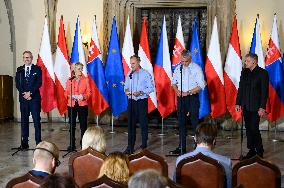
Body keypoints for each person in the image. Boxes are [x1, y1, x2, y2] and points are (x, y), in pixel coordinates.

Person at [170, 50, 205, 155]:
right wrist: (176, 91)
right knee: (181, 123)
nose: (184, 63)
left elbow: (202, 85)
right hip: (181, 99)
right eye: (182, 61)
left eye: (186, 61)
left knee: (195, 123)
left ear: (190, 59)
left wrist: (188, 92)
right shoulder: (178, 68)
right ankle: (181, 147)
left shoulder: (196, 69)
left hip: (192, 98)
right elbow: (173, 83)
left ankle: (197, 147)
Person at [175, 123, 232, 188]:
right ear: (214, 141)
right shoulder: (226, 162)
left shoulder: (180, 160)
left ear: (195, 138)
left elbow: (174, 185)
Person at [236, 53, 269, 159]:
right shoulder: (244, 72)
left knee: (254, 128)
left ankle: (259, 150)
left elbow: (264, 92)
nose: (245, 62)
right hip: (246, 105)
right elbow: (241, 89)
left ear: (254, 62)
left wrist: (262, 107)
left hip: (256, 107)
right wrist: (238, 103)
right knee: (248, 129)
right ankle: (251, 149)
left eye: (247, 61)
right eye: (245, 61)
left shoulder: (263, 73)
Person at [123, 55, 154, 154]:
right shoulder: (129, 74)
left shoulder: (145, 74)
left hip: (141, 101)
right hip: (131, 101)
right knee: (130, 125)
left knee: (143, 124)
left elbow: (151, 88)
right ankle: (130, 147)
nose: (131, 66)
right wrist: (127, 90)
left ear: (139, 62)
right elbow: (125, 87)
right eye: (131, 63)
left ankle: (144, 145)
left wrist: (140, 92)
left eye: (133, 63)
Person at [15, 51, 42, 149]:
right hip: (23, 99)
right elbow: (18, 84)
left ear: (32, 58)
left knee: (36, 121)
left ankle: (38, 143)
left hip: (34, 99)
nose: (27, 59)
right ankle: (24, 143)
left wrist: (30, 93)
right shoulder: (19, 70)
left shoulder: (37, 69)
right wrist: (24, 94)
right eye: (25, 57)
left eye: (29, 57)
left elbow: (39, 83)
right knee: (24, 121)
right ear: (23, 59)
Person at [65, 62, 91, 151]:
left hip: (82, 105)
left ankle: (83, 143)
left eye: (81, 69)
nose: (81, 70)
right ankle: (72, 144)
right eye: (79, 69)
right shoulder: (70, 80)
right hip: (72, 105)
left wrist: (83, 96)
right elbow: (66, 92)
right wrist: (70, 96)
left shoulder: (86, 79)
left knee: (83, 125)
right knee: (72, 125)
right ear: (74, 70)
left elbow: (89, 93)